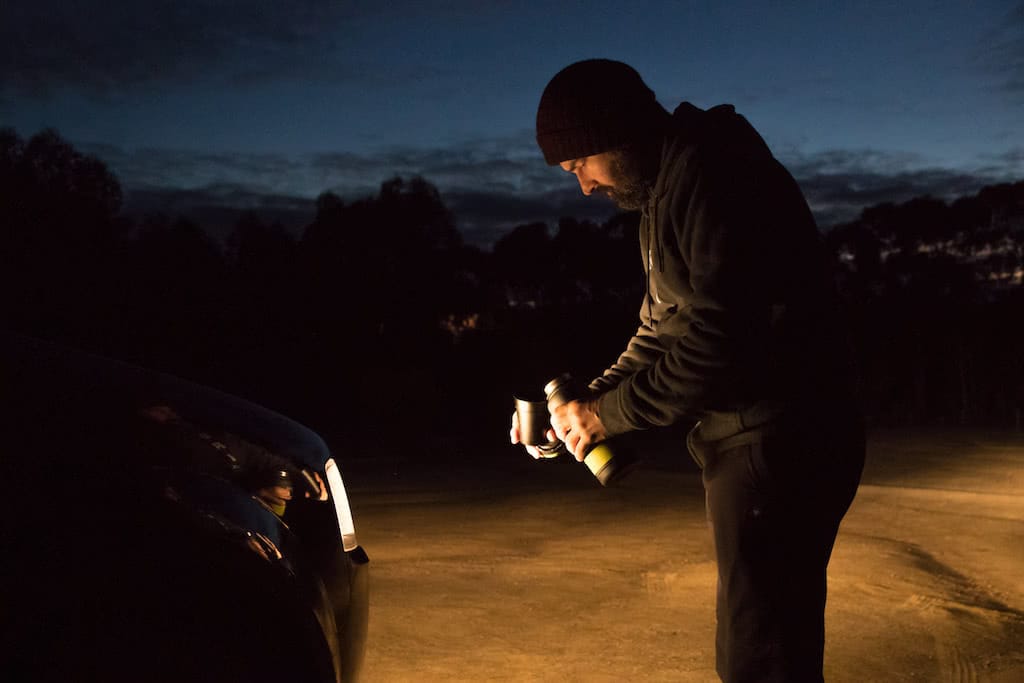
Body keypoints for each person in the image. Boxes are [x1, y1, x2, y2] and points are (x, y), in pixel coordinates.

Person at [510, 59, 865, 682]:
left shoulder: (714, 173)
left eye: (580, 166)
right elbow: (660, 329)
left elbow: (719, 340)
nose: (585, 187)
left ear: (613, 131)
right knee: (761, 647)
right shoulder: (664, 191)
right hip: (752, 441)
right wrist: (584, 409)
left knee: (762, 659)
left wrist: (605, 414)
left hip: (779, 440)